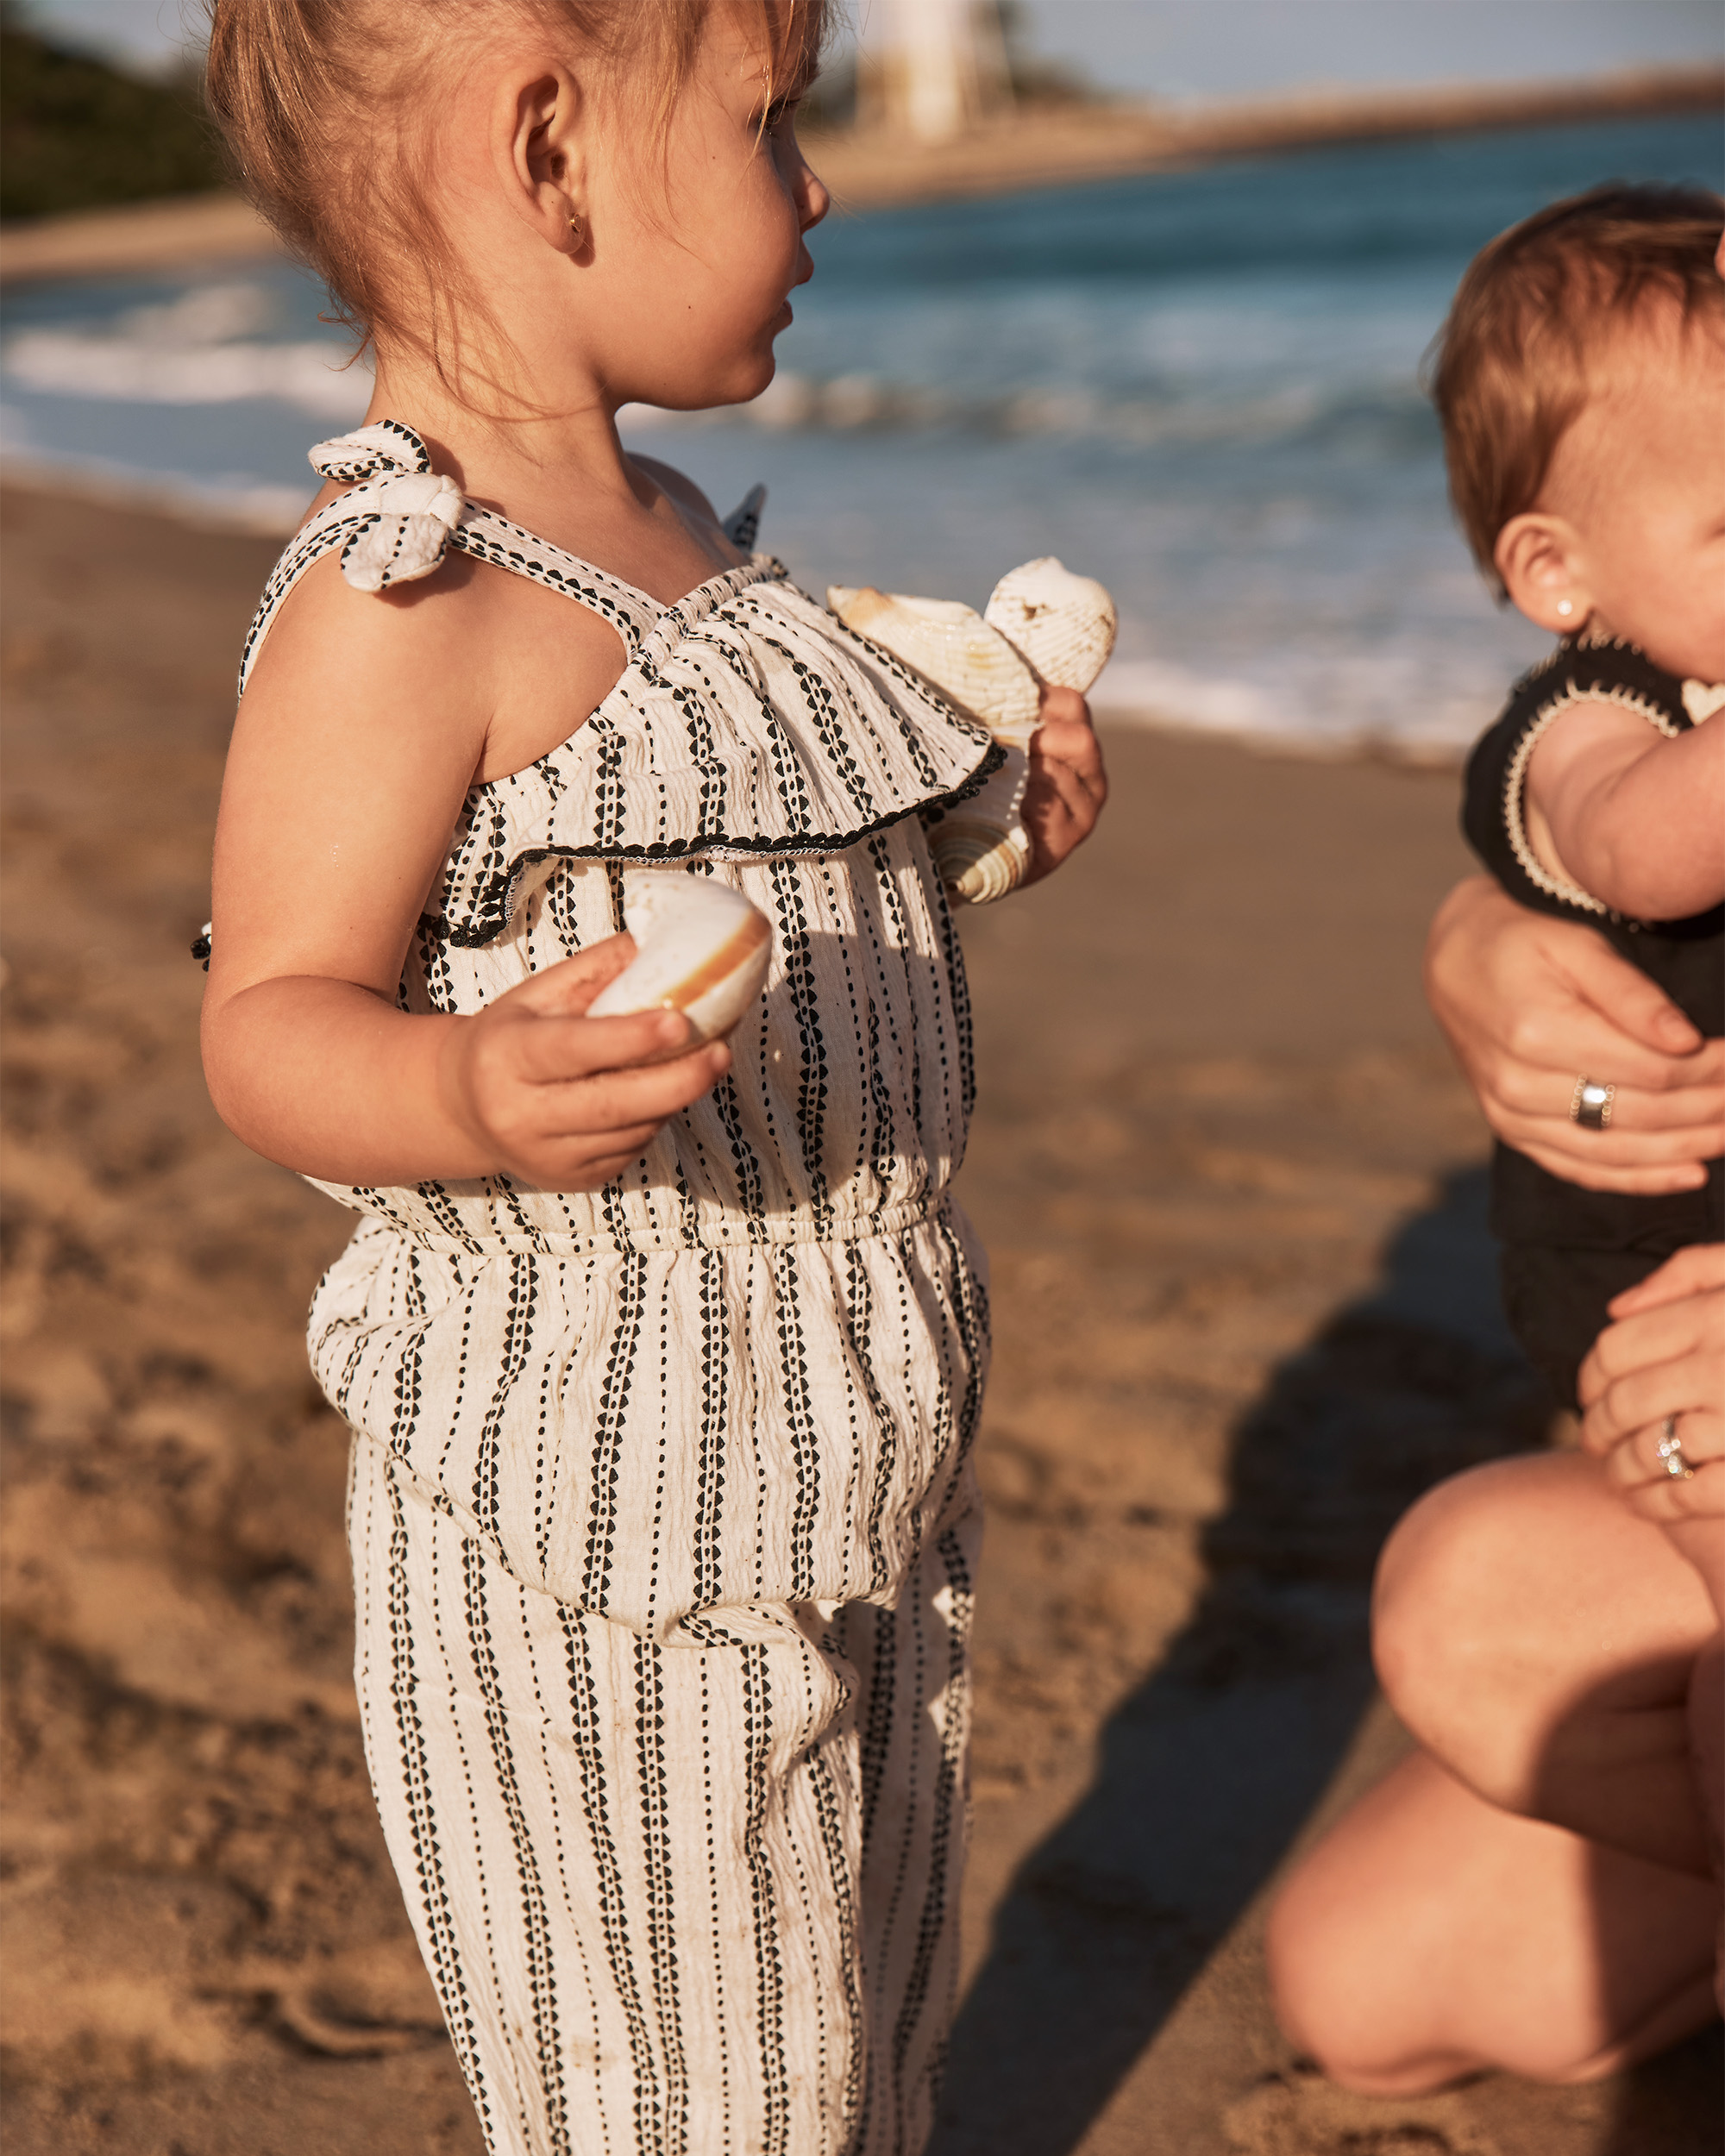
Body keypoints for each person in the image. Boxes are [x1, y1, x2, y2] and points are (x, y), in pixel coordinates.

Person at [195, 5, 1107, 2153]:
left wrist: (969, 840)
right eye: (773, 123)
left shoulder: (692, 537)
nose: (818, 188)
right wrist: (465, 1097)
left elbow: (766, 881)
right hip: (592, 1475)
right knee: (689, 2076)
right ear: (548, 153)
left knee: (864, 2011)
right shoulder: (406, 596)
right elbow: (269, 1016)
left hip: (858, 1416)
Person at [1264, 187, 1725, 2091]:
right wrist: (1480, 945)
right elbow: (1635, 845)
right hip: (1652, 1374)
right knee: (1359, 1981)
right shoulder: (1592, 717)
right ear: (1561, 572)